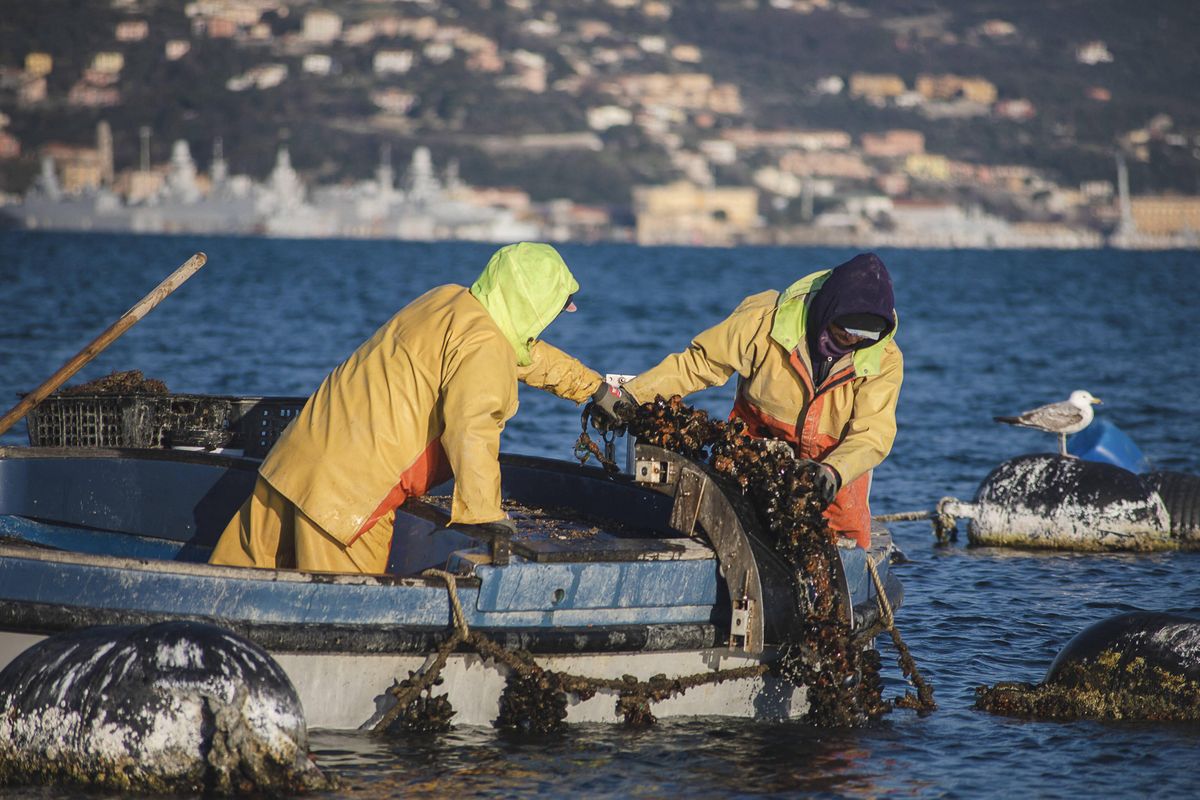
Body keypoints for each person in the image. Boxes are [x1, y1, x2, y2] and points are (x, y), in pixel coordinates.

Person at [210, 242, 603, 574]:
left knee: (226, 589)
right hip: (348, 497)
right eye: (555, 306)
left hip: (293, 461)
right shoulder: (486, 346)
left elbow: (520, 353)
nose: (556, 317)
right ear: (534, 305)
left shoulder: (448, 300)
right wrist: (484, 515)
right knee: (342, 621)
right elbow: (471, 428)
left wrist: (594, 388)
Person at [589, 252, 901, 549]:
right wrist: (632, 396)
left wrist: (833, 471)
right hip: (751, 462)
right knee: (730, 531)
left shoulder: (884, 359)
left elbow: (872, 434)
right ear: (829, 308)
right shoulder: (764, 320)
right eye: (848, 329)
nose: (855, 339)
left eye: (866, 335)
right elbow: (698, 365)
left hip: (833, 478)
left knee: (844, 552)